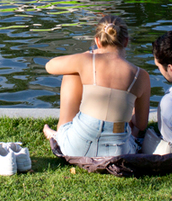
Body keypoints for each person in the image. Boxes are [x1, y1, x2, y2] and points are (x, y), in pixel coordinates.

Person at [43, 15, 151, 157]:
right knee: (127, 123)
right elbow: (142, 124)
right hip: (119, 153)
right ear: (126, 41)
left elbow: (49, 66)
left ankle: (58, 135)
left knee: (71, 72)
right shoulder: (141, 75)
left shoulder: (86, 60)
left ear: (97, 41)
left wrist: (88, 54)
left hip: (76, 148)